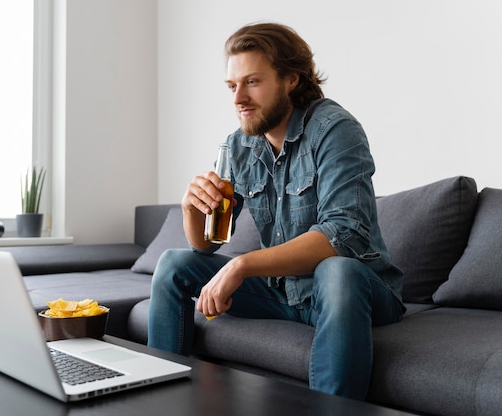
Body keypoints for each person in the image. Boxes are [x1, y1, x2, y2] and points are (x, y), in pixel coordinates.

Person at [147, 22, 405, 400]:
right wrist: (190, 209)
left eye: (252, 82)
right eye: (232, 86)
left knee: (337, 270)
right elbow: (206, 246)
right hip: (284, 294)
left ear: (291, 80)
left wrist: (242, 264)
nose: (239, 98)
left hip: (355, 291)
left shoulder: (335, 130)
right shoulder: (238, 146)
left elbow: (342, 235)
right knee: (173, 264)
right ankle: (157, 401)